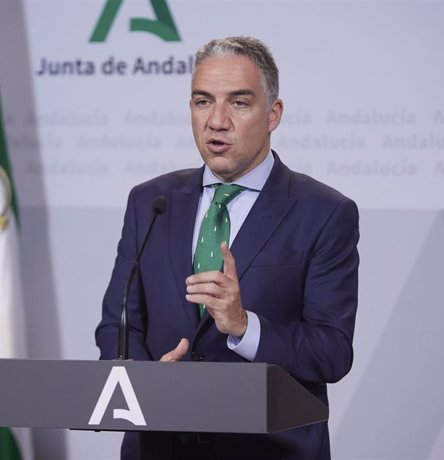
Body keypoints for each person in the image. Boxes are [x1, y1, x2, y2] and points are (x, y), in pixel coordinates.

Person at [96, 36, 359, 460]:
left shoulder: (325, 213)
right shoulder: (150, 202)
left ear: (273, 114)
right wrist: (142, 384)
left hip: (268, 450)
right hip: (160, 446)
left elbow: (331, 354)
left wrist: (243, 326)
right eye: (203, 101)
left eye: (238, 103)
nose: (216, 121)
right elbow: (117, 325)